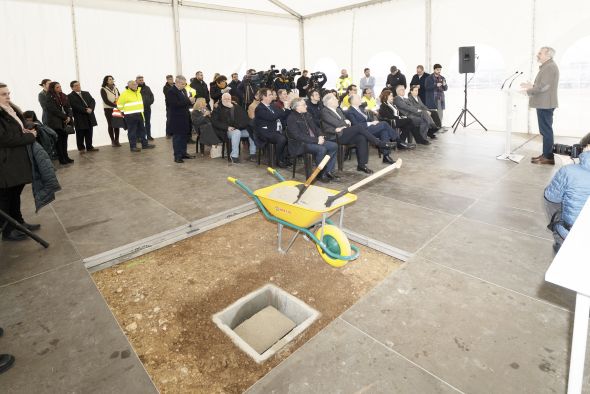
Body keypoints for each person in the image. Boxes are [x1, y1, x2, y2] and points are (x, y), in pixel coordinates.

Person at [0, 82, 41, 242]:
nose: (8, 96)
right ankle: (7, 230)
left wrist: (29, 126)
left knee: (15, 193)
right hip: (5, 162)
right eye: (4, 94)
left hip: (15, 159)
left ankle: (19, 222)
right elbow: (4, 138)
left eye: (8, 93)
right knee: (5, 197)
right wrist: (30, 137)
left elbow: (19, 126)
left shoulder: (9, 110)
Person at [321, 93, 396, 174]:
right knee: (360, 127)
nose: (337, 100)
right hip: (337, 136)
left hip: (345, 132)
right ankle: (380, 143)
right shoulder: (325, 112)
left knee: (362, 137)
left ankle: (361, 165)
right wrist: (345, 123)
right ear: (329, 101)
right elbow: (338, 124)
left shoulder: (338, 110)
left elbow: (346, 122)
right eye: (335, 99)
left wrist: (345, 124)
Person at [544, 133, 590, 252]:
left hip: (573, 237)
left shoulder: (569, 171)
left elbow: (551, 198)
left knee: (550, 196)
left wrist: (568, 169)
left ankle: (560, 240)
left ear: (588, 147)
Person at [521, 47, 560, 165]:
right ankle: (546, 154)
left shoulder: (550, 67)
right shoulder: (548, 66)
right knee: (545, 131)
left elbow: (544, 87)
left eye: (540, 53)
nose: (537, 55)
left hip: (545, 104)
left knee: (546, 131)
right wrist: (531, 85)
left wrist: (529, 91)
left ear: (547, 55)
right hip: (544, 103)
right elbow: (543, 85)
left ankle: (548, 157)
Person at [287, 98, 338, 183]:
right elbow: (298, 136)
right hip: (301, 144)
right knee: (321, 149)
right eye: (304, 105)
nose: (306, 106)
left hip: (313, 140)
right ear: (297, 107)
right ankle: (321, 173)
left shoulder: (307, 114)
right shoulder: (291, 118)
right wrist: (316, 140)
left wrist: (321, 135)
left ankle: (328, 171)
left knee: (333, 146)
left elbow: (315, 128)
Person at [346, 94, 406, 162]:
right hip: (361, 131)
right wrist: (370, 123)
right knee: (384, 124)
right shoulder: (350, 111)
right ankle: (398, 141)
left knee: (384, 131)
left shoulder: (361, 109)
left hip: (369, 129)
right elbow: (355, 125)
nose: (360, 99)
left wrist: (373, 122)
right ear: (352, 101)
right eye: (358, 98)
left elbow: (367, 120)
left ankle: (386, 156)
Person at [212, 93, 255, 163]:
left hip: (239, 128)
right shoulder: (218, 108)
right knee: (236, 132)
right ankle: (234, 156)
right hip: (226, 131)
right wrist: (227, 127)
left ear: (231, 99)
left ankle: (253, 154)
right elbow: (215, 122)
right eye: (225, 99)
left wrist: (233, 108)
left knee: (251, 131)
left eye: (228, 99)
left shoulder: (236, 106)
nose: (227, 100)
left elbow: (245, 117)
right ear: (221, 99)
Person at [254, 88, 289, 168]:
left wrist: (287, 109)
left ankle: (284, 157)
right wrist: (284, 109)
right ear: (263, 97)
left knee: (289, 135)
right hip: (266, 132)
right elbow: (272, 117)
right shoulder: (259, 108)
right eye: (270, 95)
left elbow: (283, 115)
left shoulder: (272, 106)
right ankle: (278, 159)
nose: (272, 96)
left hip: (276, 129)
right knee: (282, 139)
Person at [118, 80, 155, 152]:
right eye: (134, 84)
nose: (136, 86)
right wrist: (125, 112)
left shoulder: (138, 92)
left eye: (136, 84)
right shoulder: (124, 94)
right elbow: (119, 105)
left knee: (142, 131)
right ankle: (133, 147)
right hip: (130, 116)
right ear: (129, 86)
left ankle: (145, 145)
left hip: (140, 114)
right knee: (132, 132)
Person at [165, 75, 194, 163]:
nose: (184, 85)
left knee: (184, 136)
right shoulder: (171, 92)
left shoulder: (183, 90)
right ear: (177, 82)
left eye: (184, 84)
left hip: (184, 117)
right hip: (176, 119)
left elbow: (184, 103)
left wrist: (191, 102)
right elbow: (174, 104)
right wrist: (189, 100)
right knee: (177, 138)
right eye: (182, 84)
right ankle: (177, 156)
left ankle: (183, 153)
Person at [46, 82, 74, 164]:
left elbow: (68, 107)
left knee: (65, 140)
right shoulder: (49, 97)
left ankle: (66, 157)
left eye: (60, 86)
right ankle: (62, 159)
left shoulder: (63, 96)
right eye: (57, 87)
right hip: (56, 122)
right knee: (59, 141)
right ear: (53, 88)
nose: (60, 88)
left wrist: (69, 116)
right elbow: (53, 110)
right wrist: (65, 117)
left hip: (65, 121)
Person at [68, 81, 98, 154]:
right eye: (76, 85)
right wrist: (85, 110)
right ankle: (81, 148)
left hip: (89, 115)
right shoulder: (70, 96)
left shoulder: (86, 93)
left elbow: (92, 101)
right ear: (72, 87)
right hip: (80, 116)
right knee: (80, 133)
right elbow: (74, 106)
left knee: (89, 131)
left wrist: (91, 108)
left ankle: (89, 146)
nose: (78, 86)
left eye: (79, 85)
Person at [424, 64, 447, 129]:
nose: (439, 71)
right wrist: (436, 85)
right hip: (432, 98)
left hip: (440, 98)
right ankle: (432, 127)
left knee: (440, 113)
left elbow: (445, 89)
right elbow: (426, 87)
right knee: (432, 113)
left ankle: (439, 127)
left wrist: (444, 85)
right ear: (434, 70)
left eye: (440, 69)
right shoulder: (429, 78)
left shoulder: (443, 78)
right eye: (437, 69)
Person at [100, 75, 121, 147]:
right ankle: (112, 141)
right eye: (110, 79)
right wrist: (115, 105)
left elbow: (120, 97)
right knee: (111, 125)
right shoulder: (103, 89)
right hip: (108, 109)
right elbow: (106, 101)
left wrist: (119, 103)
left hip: (116, 109)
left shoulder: (116, 88)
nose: (111, 80)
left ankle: (117, 140)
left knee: (117, 124)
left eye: (112, 79)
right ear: (106, 81)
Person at [136, 75, 155, 141]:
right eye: (140, 80)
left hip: (147, 108)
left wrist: (150, 102)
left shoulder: (147, 88)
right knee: (139, 123)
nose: (141, 81)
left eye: (142, 80)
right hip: (139, 109)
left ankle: (148, 136)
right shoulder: (135, 88)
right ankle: (139, 137)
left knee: (147, 122)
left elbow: (152, 96)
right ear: (136, 81)